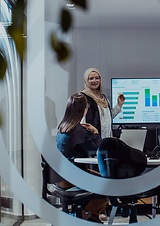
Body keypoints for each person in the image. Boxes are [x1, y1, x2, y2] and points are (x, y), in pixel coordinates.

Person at [56, 93, 108, 223]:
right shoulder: (77, 130)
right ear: (83, 109)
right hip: (72, 178)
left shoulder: (62, 128)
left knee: (104, 180)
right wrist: (95, 132)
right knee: (109, 183)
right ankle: (88, 215)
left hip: (60, 178)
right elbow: (95, 151)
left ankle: (91, 216)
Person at [80, 68, 125, 138]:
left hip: (106, 141)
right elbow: (82, 123)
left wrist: (119, 105)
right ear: (86, 80)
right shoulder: (83, 98)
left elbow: (107, 118)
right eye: (91, 78)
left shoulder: (103, 97)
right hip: (93, 142)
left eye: (97, 78)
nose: (94, 81)